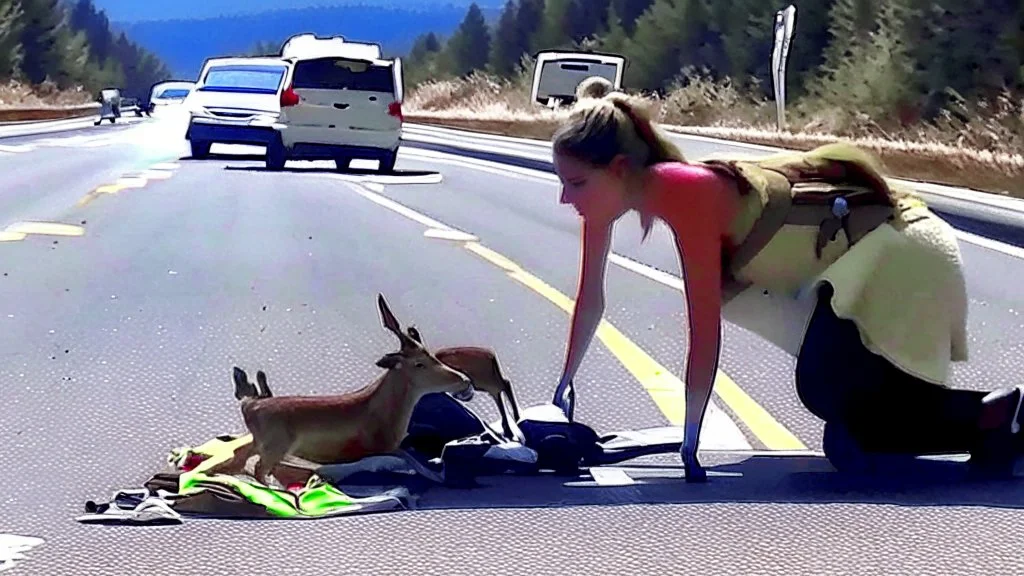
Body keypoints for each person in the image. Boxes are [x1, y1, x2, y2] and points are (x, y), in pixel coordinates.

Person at [547, 89, 1024, 481]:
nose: (565, 197)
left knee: (824, 388)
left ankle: (993, 419)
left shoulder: (684, 190)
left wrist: (691, 440)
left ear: (619, 170)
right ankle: (993, 418)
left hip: (898, 251)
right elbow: (590, 298)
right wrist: (561, 393)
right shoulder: (603, 196)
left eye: (576, 184)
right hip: (856, 262)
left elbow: (703, 327)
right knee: (849, 436)